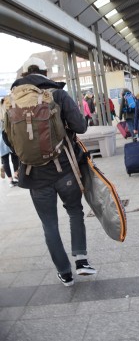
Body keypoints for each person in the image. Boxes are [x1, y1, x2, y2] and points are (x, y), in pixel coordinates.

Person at [3, 57, 96, 286]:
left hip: (34, 175)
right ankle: (81, 260)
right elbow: (81, 127)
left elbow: (8, 139)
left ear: (24, 74)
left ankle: (64, 273)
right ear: (46, 72)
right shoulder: (57, 95)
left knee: (49, 224)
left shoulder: (10, 101)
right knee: (74, 211)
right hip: (64, 169)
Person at [0, 99, 19, 187]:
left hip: (0, 142)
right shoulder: (8, 113)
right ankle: (16, 174)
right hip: (8, 138)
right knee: (15, 157)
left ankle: (11, 180)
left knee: (5, 160)